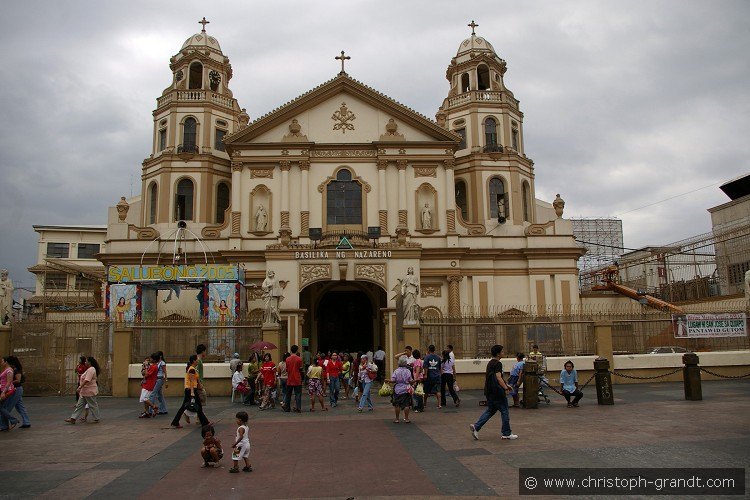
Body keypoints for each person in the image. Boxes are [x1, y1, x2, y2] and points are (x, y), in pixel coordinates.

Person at [469, 344, 517, 441]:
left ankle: (476, 426)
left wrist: (506, 385)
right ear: (498, 354)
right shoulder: (498, 364)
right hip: (497, 392)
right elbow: (498, 378)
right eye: (502, 352)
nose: (503, 353)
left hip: (489, 391)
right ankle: (506, 433)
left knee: (491, 410)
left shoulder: (490, 363)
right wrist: (505, 388)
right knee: (504, 411)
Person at [170, 354, 209, 429]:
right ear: (194, 361)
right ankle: (205, 422)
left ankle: (205, 422)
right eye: (197, 359)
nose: (198, 361)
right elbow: (191, 381)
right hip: (190, 389)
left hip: (191, 389)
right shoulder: (191, 369)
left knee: (196, 406)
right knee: (190, 406)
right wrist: (192, 392)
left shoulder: (193, 368)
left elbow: (195, 380)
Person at [65, 357, 101, 424]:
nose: (85, 362)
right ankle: (73, 418)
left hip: (89, 391)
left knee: (92, 405)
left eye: (86, 361)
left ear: (89, 362)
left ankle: (96, 418)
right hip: (85, 392)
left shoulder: (91, 369)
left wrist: (80, 387)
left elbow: (87, 380)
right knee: (79, 405)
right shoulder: (89, 369)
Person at [388, 355, 415, 423]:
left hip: (397, 389)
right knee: (406, 405)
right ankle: (406, 419)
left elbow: (393, 380)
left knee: (397, 405)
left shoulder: (396, 371)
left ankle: (397, 419)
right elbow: (410, 380)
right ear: (405, 363)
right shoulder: (408, 371)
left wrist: (387, 381)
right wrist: (415, 381)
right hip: (406, 389)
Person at [6, 357, 30, 428]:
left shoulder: (15, 369)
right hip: (17, 389)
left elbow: (18, 380)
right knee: (20, 407)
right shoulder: (14, 368)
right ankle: (26, 422)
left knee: (7, 408)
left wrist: (7, 382)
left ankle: (10, 421)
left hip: (15, 389)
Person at [0, 356, 18, 430]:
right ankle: (6, 425)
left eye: (2, 361)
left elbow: (9, 382)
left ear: (6, 362)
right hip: (3, 390)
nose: (1, 363)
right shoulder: (6, 369)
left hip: (7, 390)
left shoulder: (9, 370)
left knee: (1, 407)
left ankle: (13, 420)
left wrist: (3, 392)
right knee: (2, 407)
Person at [283, 345, 303, 413]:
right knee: (298, 394)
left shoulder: (287, 359)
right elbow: (301, 369)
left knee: (288, 394)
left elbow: (286, 370)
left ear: (291, 350)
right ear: (297, 350)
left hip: (290, 379)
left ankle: (287, 408)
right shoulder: (299, 359)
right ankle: (298, 407)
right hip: (297, 379)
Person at [139, 353, 159, 418]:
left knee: (144, 398)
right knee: (146, 398)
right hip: (147, 383)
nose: (150, 360)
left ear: (154, 359)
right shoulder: (153, 366)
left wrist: (146, 367)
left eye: (151, 358)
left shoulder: (154, 366)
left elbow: (147, 374)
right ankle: (147, 412)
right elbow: (144, 374)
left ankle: (154, 407)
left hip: (149, 384)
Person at [149, 351, 168, 415]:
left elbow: (165, 372)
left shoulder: (162, 363)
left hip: (159, 379)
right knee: (160, 395)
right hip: (157, 379)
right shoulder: (157, 363)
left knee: (152, 394)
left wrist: (166, 381)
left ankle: (150, 410)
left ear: (160, 356)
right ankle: (163, 409)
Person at [423, 345, 442, 409]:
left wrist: (425, 375)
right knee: (438, 391)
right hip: (437, 376)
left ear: (428, 349)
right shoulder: (438, 357)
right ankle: (439, 404)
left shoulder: (427, 357)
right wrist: (440, 374)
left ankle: (425, 404)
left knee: (426, 391)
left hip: (429, 376)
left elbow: (425, 367)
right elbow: (440, 367)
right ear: (434, 350)